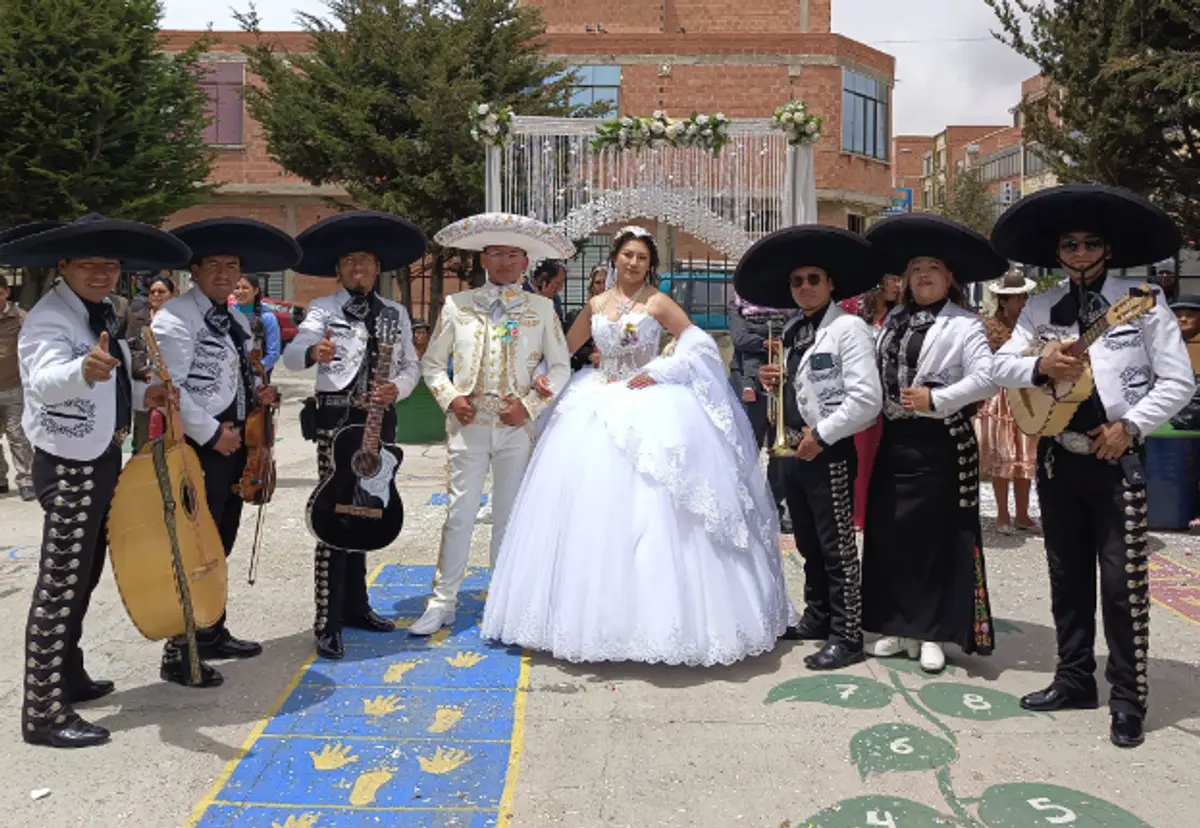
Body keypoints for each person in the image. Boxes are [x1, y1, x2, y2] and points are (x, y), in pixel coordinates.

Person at [479, 226, 795, 666]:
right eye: (628, 255)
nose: (633, 263)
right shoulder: (594, 305)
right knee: (591, 515)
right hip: (596, 401)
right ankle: (590, 616)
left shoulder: (657, 302)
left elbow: (698, 343)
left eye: (642, 258)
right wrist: (527, 370)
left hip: (649, 399)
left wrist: (665, 370)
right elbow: (561, 353)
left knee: (658, 512)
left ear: (650, 265)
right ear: (615, 258)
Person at [991, 183, 1193, 748]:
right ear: (1058, 252)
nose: (1079, 252)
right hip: (1058, 458)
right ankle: (1074, 678)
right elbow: (999, 367)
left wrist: (1131, 425)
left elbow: (1178, 382)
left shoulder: (1143, 301)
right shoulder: (1037, 307)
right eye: (1069, 244)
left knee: (1123, 583)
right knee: (1066, 577)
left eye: (1090, 242)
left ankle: (1128, 698)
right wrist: (1038, 366)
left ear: (1107, 247)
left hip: (1117, 459)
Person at [0, 214, 186, 747]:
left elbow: (116, 366)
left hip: (101, 455)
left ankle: (69, 676)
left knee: (83, 575)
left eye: (110, 264)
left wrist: (139, 386)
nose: (102, 272)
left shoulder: (99, 310)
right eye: (89, 263)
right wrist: (83, 369)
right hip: (68, 461)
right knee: (60, 583)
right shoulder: (48, 319)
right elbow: (42, 379)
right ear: (64, 266)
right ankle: (42, 712)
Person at [151, 217, 300, 684]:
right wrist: (213, 433)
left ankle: (211, 628)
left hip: (238, 440)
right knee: (196, 543)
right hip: (202, 444)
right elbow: (169, 387)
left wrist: (261, 394)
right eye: (212, 264)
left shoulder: (237, 318)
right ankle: (181, 651)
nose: (222, 272)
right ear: (194, 270)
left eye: (231, 265)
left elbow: (240, 374)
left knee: (223, 539)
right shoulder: (176, 317)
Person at [412, 213, 573, 635]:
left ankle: (503, 602)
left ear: (525, 262)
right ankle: (442, 601)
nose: (504, 262)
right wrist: (452, 399)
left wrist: (530, 405)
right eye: (496, 253)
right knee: (459, 514)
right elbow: (431, 364)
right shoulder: (458, 305)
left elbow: (560, 369)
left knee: (507, 517)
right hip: (468, 427)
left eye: (513, 255)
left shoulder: (541, 309)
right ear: (484, 258)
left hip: (515, 430)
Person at [860, 213, 1006, 674]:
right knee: (891, 533)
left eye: (934, 268)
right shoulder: (892, 319)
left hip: (941, 441)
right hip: (895, 439)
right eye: (916, 267)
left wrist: (936, 398)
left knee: (933, 537)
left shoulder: (965, 325)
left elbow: (988, 378)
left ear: (950, 278)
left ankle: (933, 631)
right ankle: (898, 625)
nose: (923, 275)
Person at [737, 226, 884, 670]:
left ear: (831, 283)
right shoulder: (794, 328)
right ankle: (818, 617)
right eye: (797, 282)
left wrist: (821, 436)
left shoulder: (848, 329)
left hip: (828, 451)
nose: (804, 288)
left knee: (837, 545)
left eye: (813, 279)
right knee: (806, 542)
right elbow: (799, 387)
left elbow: (867, 400)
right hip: (793, 451)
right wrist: (772, 382)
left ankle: (848, 634)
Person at [282, 211, 426, 659]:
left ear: (376, 268)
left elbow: (411, 366)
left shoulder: (395, 312)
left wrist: (395, 389)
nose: (357, 269)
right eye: (348, 262)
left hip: (379, 423)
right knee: (332, 512)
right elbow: (290, 355)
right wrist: (312, 350)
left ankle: (357, 606)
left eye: (364, 262)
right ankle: (327, 617)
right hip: (335, 423)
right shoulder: (325, 309)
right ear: (339, 269)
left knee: (367, 510)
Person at [976, 271, 1041, 534]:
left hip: (1027, 394)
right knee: (1003, 456)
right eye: (1016, 298)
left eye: (1024, 296)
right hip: (1001, 397)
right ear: (1003, 301)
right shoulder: (990, 327)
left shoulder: (1031, 326)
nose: (1022, 302)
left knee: (1026, 455)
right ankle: (1003, 514)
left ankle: (1023, 514)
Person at [727, 289, 797, 530]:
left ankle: (775, 506)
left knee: (780, 449)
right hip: (750, 383)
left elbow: (795, 334)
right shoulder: (738, 304)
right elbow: (739, 338)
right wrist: (766, 342)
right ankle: (742, 504)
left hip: (782, 378)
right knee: (748, 445)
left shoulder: (788, 301)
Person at [842, 273, 902, 530]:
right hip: (857, 390)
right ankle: (856, 513)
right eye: (894, 279)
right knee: (858, 453)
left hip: (889, 392)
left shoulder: (899, 314)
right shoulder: (851, 310)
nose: (899, 285)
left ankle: (874, 512)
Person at [128, 274, 176, 452]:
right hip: (143, 384)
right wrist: (143, 371)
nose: (156, 295)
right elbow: (131, 347)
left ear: (172, 294)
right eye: (153, 292)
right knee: (142, 437)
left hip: (168, 385)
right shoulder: (137, 318)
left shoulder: (178, 321)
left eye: (161, 291)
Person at [232, 273, 281, 376]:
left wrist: (256, 369)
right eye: (236, 288)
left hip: (256, 375)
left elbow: (273, 353)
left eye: (245, 288)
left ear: (255, 291)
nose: (240, 292)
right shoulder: (229, 314)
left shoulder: (267, 318)